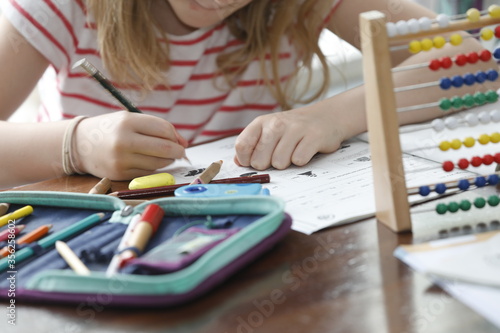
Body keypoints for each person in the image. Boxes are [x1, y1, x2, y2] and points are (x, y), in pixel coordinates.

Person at [0, 0, 496, 188]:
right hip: (100, 236)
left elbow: (473, 62)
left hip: (253, 236)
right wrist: (76, 143)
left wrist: (332, 116)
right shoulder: (61, 6)